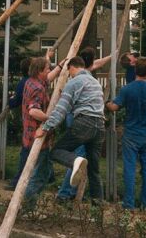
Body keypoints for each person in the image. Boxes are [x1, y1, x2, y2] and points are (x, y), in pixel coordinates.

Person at [34, 56, 105, 202]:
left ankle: (75, 162)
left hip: (84, 123)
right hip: (100, 126)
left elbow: (61, 110)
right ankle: (98, 208)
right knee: (94, 170)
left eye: (69, 71)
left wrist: (46, 127)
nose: (69, 74)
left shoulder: (73, 83)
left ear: (72, 67)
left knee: (56, 151)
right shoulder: (95, 83)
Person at [56, 46, 111, 202]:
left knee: (78, 156)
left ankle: (68, 193)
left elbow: (97, 63)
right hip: (85, 118)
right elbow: (98, 63)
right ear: (91, 62)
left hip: (75, 115)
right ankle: (66, 193)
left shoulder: (75, 72)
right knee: (81, 158)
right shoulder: (88, 77)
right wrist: (112, 56)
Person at [107, 56, 146, 211]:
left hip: (130, 134)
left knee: (129, 169)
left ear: (135, 70)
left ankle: (129, 204)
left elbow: (115, 107)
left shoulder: (127, 89)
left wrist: (107, 104)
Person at [21, 55, 65, 205]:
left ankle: (27, 203)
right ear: (40, 71)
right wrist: (49, 119)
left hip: (30, 135)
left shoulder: (32, 82)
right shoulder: (38, 88)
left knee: (41, 172)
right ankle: (28, 206)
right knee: (39, 175)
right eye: (47, 69)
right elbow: (33, 111)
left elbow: (49, 78)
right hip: (37, 136)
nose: (49, 71)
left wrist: (60, 66)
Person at [6, 56, 32, 191]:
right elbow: (16, 101)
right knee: (29, 150)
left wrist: (11, 100)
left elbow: (15, 101)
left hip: (30, 121)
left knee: (29, 150)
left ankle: (18, 181)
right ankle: (18, 180)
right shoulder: (27, 82)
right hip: (30, 121)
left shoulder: (25, 82)